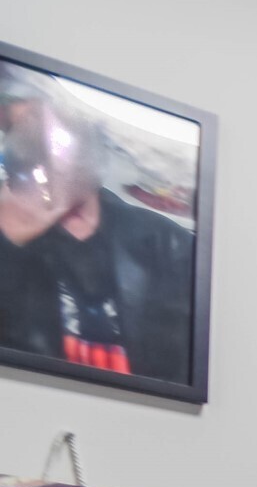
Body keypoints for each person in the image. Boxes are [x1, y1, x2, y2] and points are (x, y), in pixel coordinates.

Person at [0, 69, 196, 387]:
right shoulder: (10, 235)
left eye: (55, 139)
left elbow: (188, 373)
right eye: (24, 136)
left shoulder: (166, 244)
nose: (47, 158)